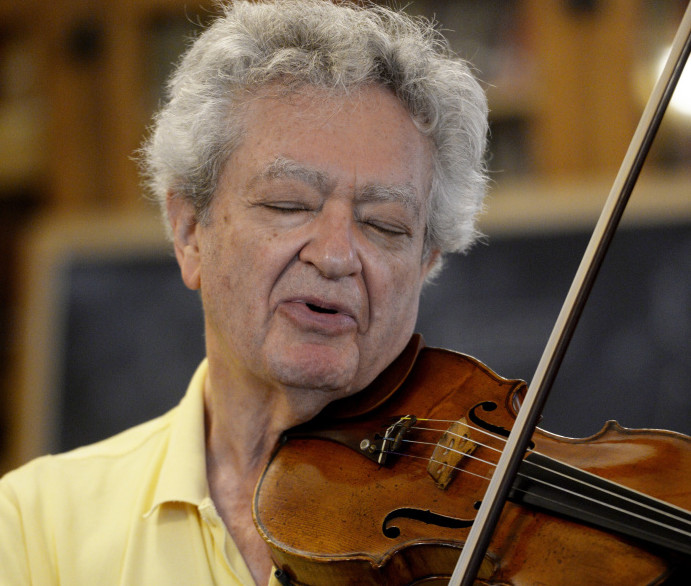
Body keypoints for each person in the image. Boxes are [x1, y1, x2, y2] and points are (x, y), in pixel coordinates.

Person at [0, 1, 488, 584]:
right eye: (288, 205)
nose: (334, 256)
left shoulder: (486, 540)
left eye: (384, 224)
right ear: (188, 232)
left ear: (426, 260)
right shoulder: (34, 528)